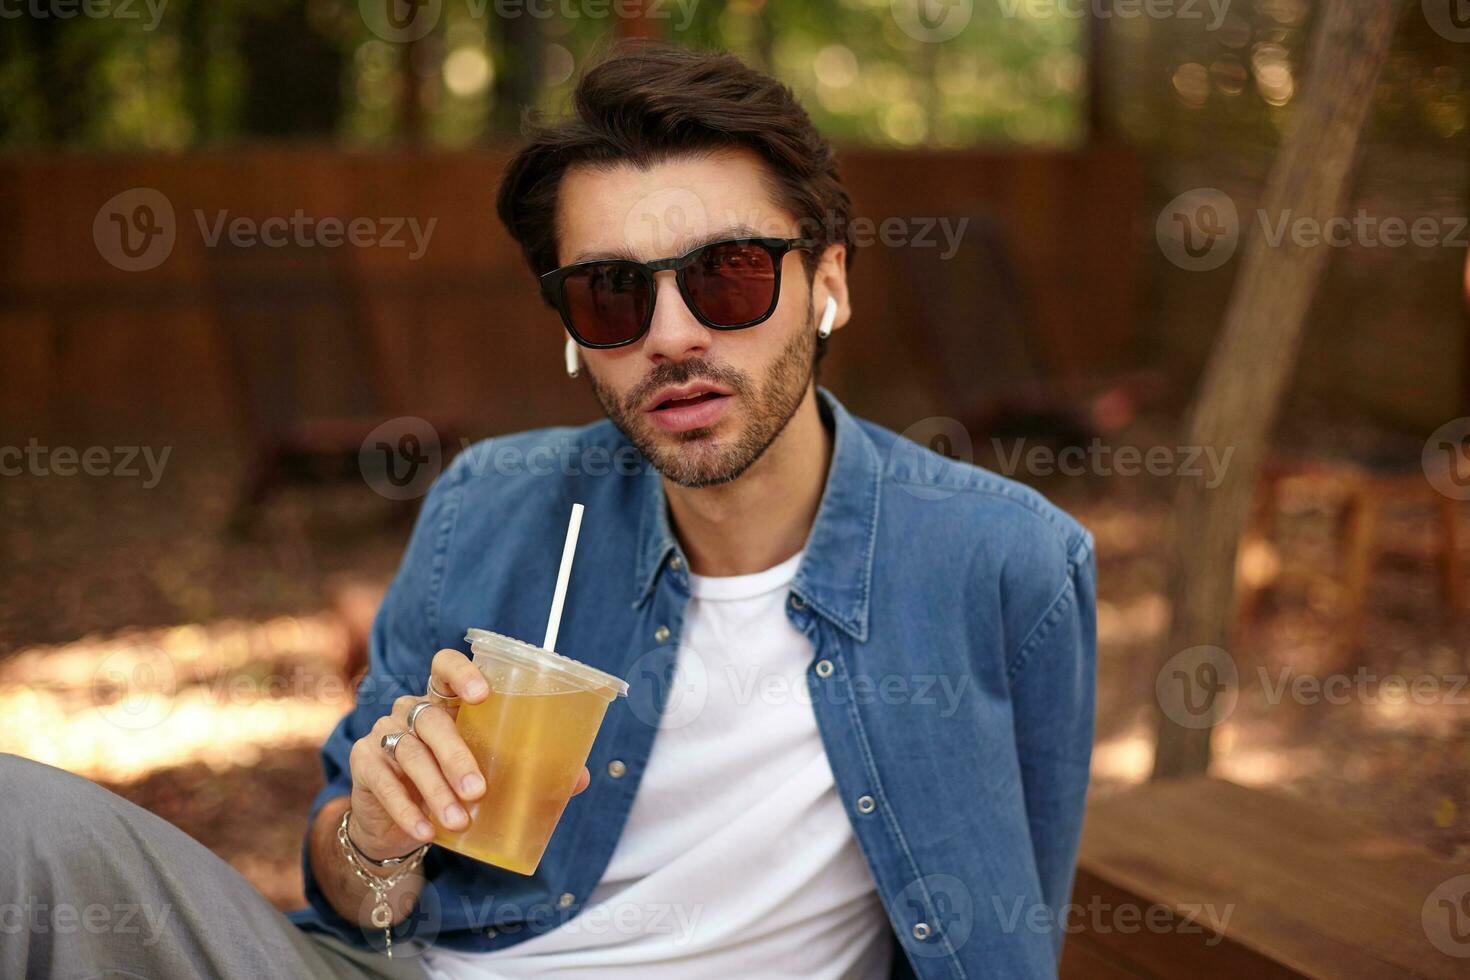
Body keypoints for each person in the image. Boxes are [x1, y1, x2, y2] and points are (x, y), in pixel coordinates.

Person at [3, 40, 1096, 980]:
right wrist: (379, 836)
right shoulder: (495, 505)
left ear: (830, 285)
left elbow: (1008, 930)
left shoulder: (1004, 562)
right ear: (575, 332)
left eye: (727, 275)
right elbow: (356, 899)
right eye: (614, 292)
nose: (672, 335)